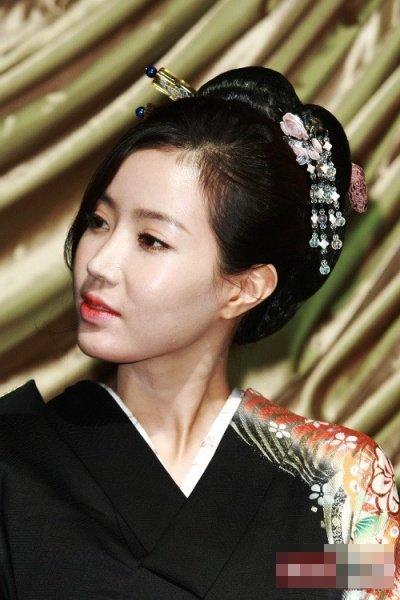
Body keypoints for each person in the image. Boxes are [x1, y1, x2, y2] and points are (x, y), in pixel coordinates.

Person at [0, 66, 398, 599]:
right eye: (98, 221)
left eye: (151, 240)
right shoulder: (14, 463)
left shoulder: (338, 481)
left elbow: (295, 578)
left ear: (245, 288)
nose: (99, 263)